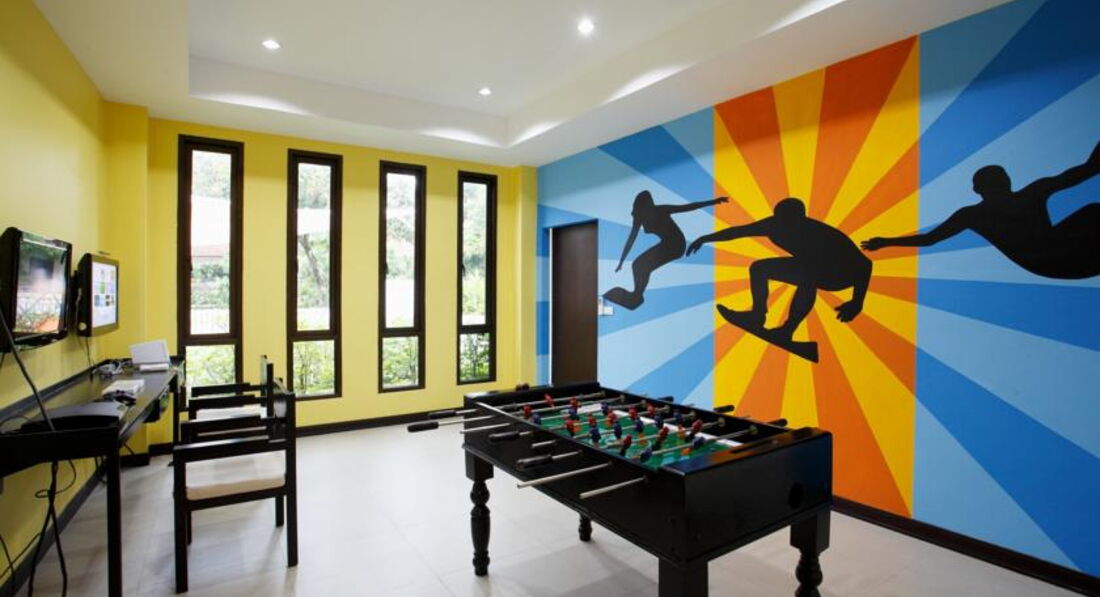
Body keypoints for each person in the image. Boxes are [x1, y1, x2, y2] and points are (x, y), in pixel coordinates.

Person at [862, 141, 1100, 279]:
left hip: (1064, 255)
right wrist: (887, 242)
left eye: (999, 179)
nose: (999, 184)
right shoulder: (976, 214)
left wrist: (886, 242)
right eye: (994, 181)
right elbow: (930, 239)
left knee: (1092, 212)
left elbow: (1088, 169)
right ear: (980, 189)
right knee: (1092, 212)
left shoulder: (1030, 194)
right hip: (1052, 261)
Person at [686, 197, 871, 340]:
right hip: (810, 266)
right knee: (760, 269)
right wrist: (705, 238)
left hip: (840, 274)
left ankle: (788, 330)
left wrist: (857, 302)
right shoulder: (773, 225)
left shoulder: (820, 232)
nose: (786, 225)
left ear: (801, 219)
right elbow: (737, 232)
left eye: (791, 221)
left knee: (808, 276)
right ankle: (757, 315)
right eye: (783, 220)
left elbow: (864, 264)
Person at [604, 191, 728, 310]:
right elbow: (631, 239)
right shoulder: (639, 217)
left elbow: (687, 207)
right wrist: (621, 262)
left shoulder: (661, 210)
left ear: (650, 206)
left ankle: (636, 297)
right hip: (666, 243)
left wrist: (714, 201)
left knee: (641, 265)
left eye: (647, 209)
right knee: (637, 265)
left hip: (677, 244)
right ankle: (637, 295)